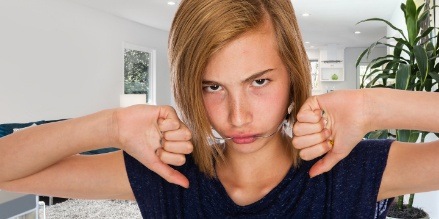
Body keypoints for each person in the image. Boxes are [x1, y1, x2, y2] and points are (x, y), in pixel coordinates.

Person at [1, 0, 439, 218]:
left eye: (259, 82)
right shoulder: (170, 177)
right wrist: (111, 125)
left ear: (292, 76)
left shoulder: (349, 172)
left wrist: (373, 104)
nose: (237, 116)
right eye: (212, 86)